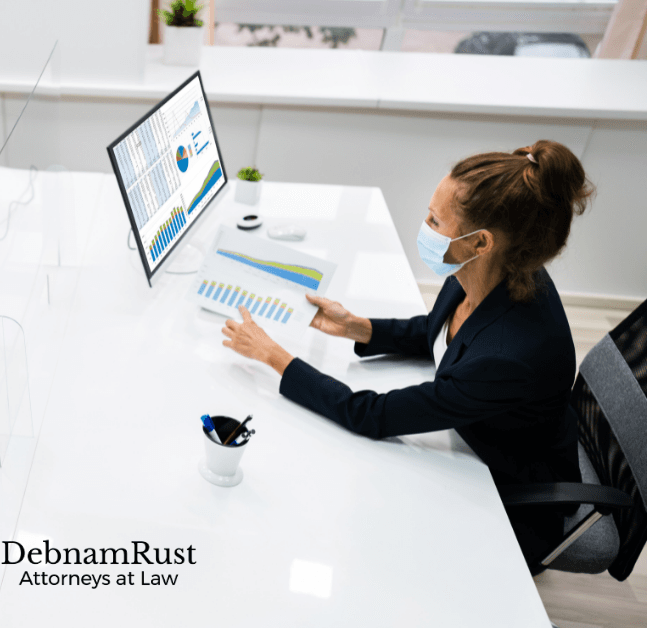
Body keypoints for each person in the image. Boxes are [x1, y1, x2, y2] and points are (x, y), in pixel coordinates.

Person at [220, 140, 591, 572]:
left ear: (480, 242)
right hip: (478, 438)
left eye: (435, 220)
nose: (425, 226)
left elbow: (373, 415)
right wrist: (360, 327)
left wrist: (275, 357)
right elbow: (441, 331)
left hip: (505, 495)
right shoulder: (489, 270)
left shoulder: (508, 356)